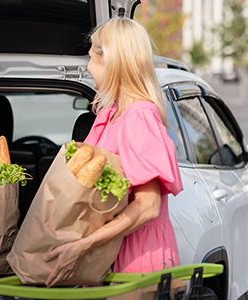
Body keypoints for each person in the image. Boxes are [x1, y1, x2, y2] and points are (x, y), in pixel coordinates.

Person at [43, 17, 183, 288]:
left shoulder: (140, 117)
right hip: (107, 254)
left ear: (110, 61)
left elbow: (148, 206)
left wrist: (84, 245)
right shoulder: (110, 114)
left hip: (136, 259)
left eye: (90, 58)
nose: (87, 67)